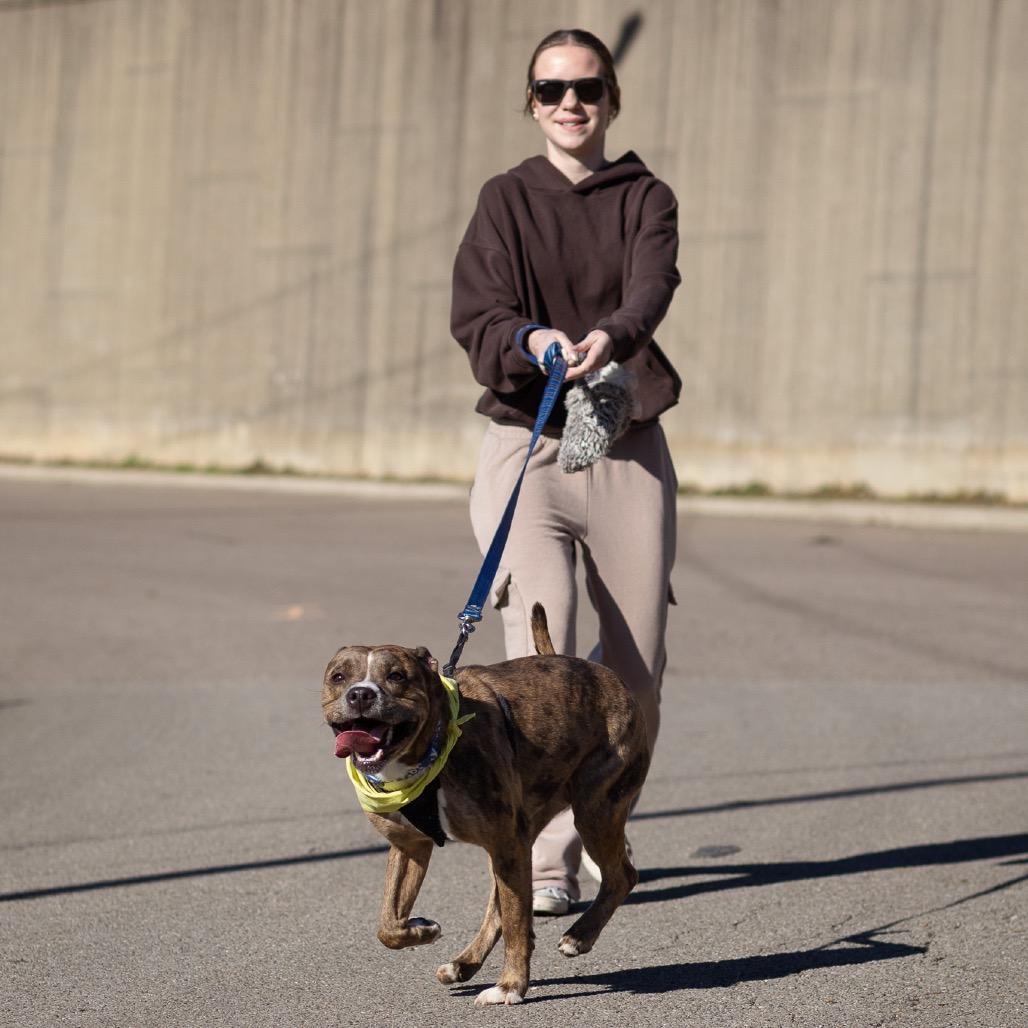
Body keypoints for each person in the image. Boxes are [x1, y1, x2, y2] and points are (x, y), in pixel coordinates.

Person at [450, 27, 682, 916]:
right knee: (534, 668)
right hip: (529, 445)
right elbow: (480, 310)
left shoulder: (645, 196)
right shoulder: (505, 199)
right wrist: (532, 338)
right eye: (551, 90)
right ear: (532, 102)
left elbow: (652, 285)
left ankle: (596, 828)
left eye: (586, 88)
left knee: (635, 673)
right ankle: (543, 856)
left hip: (626, 442)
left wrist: (610, 337)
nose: (570, 103)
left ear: (611, 98)